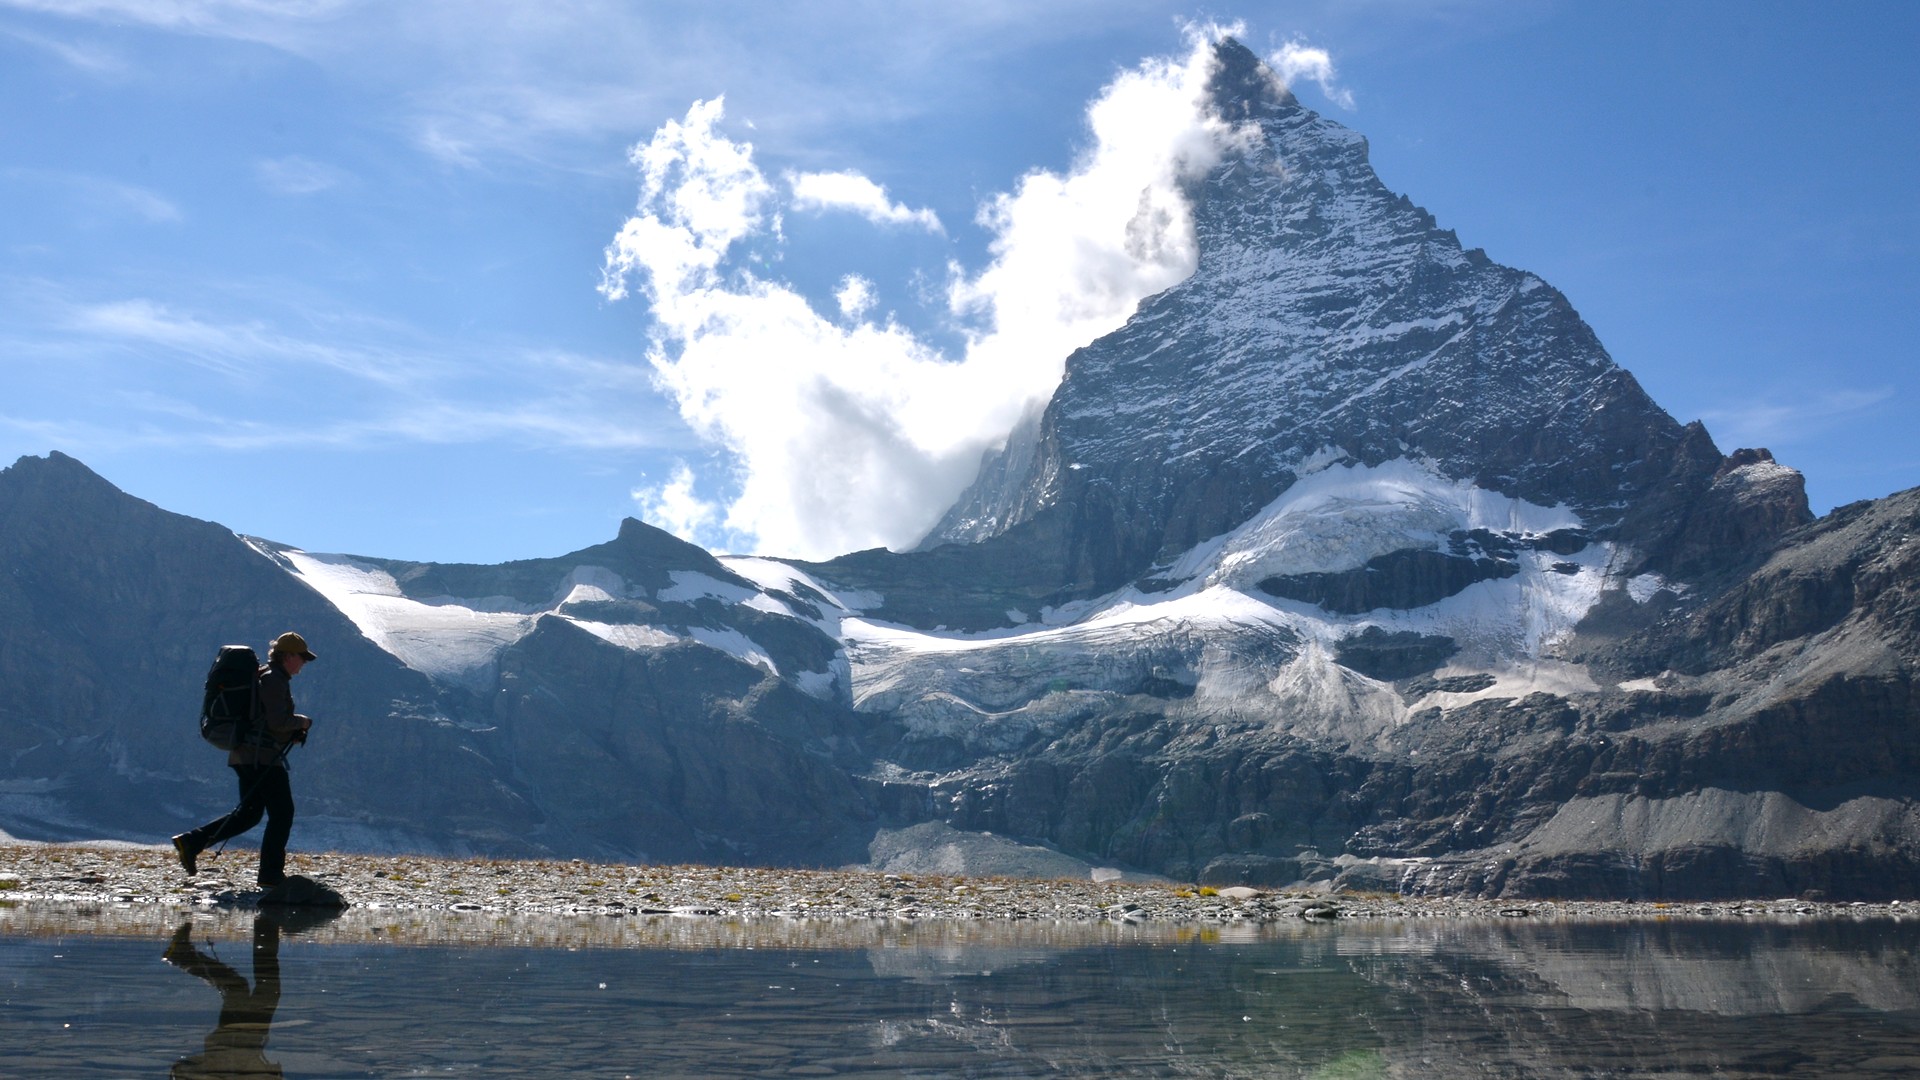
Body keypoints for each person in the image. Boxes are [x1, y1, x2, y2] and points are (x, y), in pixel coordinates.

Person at [173, 631, 316, 888]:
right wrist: (303, 722)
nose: (304, 663)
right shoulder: (274, 680)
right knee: (282, 813)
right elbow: (277, 721)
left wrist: (289, 733)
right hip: (261, 757)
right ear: (289, 656)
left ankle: (192, 842)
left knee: (249, 814)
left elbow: (265, 722)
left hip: (245, 755)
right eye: (302, 658)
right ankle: (270, 874)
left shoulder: (264, 676)